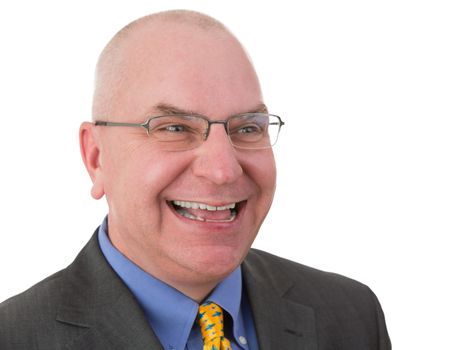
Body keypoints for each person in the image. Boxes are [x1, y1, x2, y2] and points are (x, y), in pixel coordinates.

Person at [0, 10, 391, 350]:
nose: (223, 170)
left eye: (247, 128)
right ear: (96, 157)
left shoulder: (351, 316)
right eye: (173, 128)